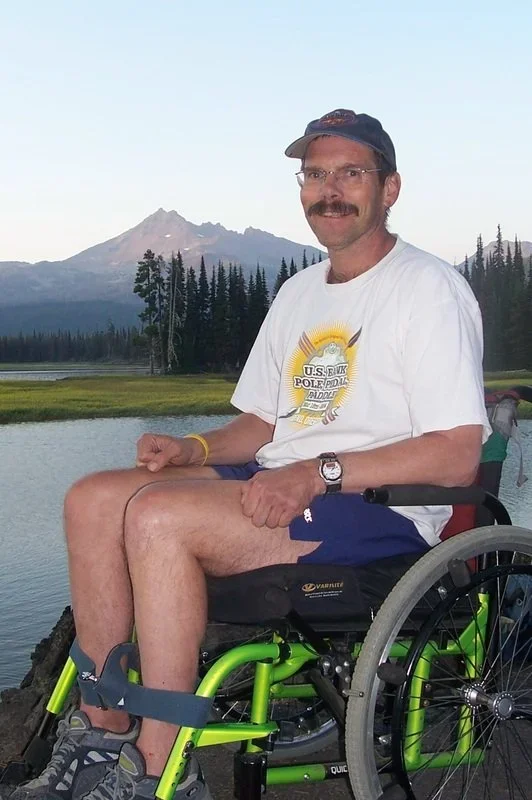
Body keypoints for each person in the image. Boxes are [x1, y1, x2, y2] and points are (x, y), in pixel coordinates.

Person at [13, 108, 490, 800]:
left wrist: (318, 473)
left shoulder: (429, 288)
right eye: (315, 176)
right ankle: (101, 732)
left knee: (158, 518)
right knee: (91, 498)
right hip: (285, 481)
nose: (329, 191)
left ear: (389, 188)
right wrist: (195, 447)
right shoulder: (298, 292)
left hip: (375, 509)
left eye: (351, 173)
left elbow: (457, 454)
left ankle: (158, 767)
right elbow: (263, 423)